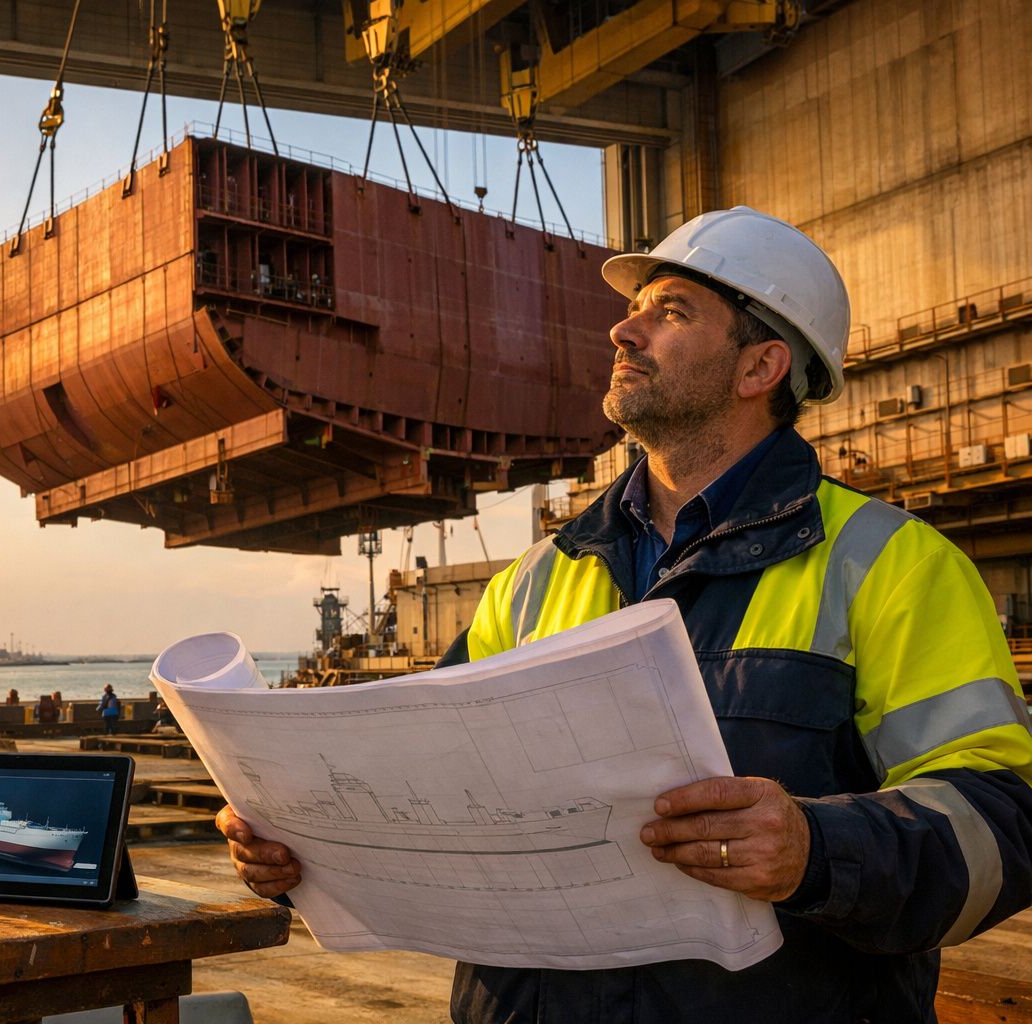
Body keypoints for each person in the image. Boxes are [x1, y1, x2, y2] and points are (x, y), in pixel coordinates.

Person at [215, 207, 1032, 1022]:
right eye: (635, 308)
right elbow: (427, 798)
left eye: (669, 311)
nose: (623, 330)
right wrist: (303, 851)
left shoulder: (891, 567)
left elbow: (1005, 825)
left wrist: (816, 850)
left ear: (761, 367)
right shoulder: (536, 580)